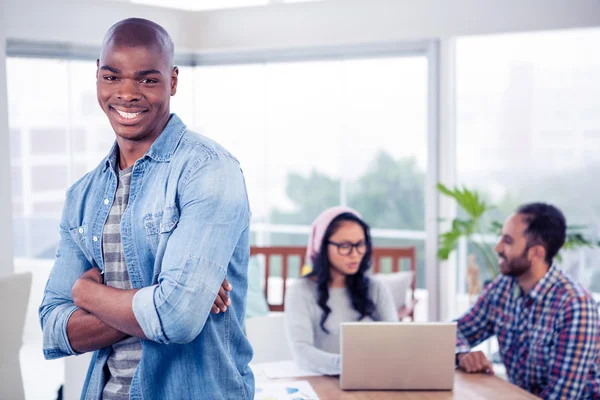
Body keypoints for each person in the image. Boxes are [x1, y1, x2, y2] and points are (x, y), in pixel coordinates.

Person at [38, 18, 253, 400]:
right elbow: (54, 326)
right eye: (112, 77)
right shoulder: (82, 196)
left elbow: (180, 318)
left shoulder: (208, 170)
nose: (126, 93)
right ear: (98, 78)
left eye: (147, 80)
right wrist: (165, 299)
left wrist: (87, 295)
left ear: (172, 81)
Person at [455, 203, 600, 399]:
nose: (497, 247)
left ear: (537, 253)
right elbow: (451, 332)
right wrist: (462, 354)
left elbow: (561, 397)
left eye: (507, 241)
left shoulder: (575, 306)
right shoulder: (503, 287)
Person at [284, 206, 398, 375]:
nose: (355, 254)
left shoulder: (377, 288)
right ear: (322, 246)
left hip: (372, 381)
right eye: (344, 246)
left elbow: (396, 344)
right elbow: (302, 353)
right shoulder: (300, 291)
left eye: (360, 244)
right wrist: (348, 366)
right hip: (321, 385)